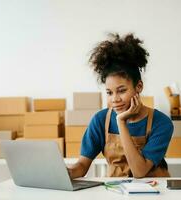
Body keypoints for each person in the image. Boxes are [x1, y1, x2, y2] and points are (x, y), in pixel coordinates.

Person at [67, 33, 174, 178]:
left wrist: (121, 121)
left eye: (122, 91)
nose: (115, 99)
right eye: (109, 93)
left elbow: (139, 171)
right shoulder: (100, 120)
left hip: (154, 192)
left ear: (139, 86)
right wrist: (63, 173)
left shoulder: (161, 123)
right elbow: (82, 167)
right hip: (117, 191)